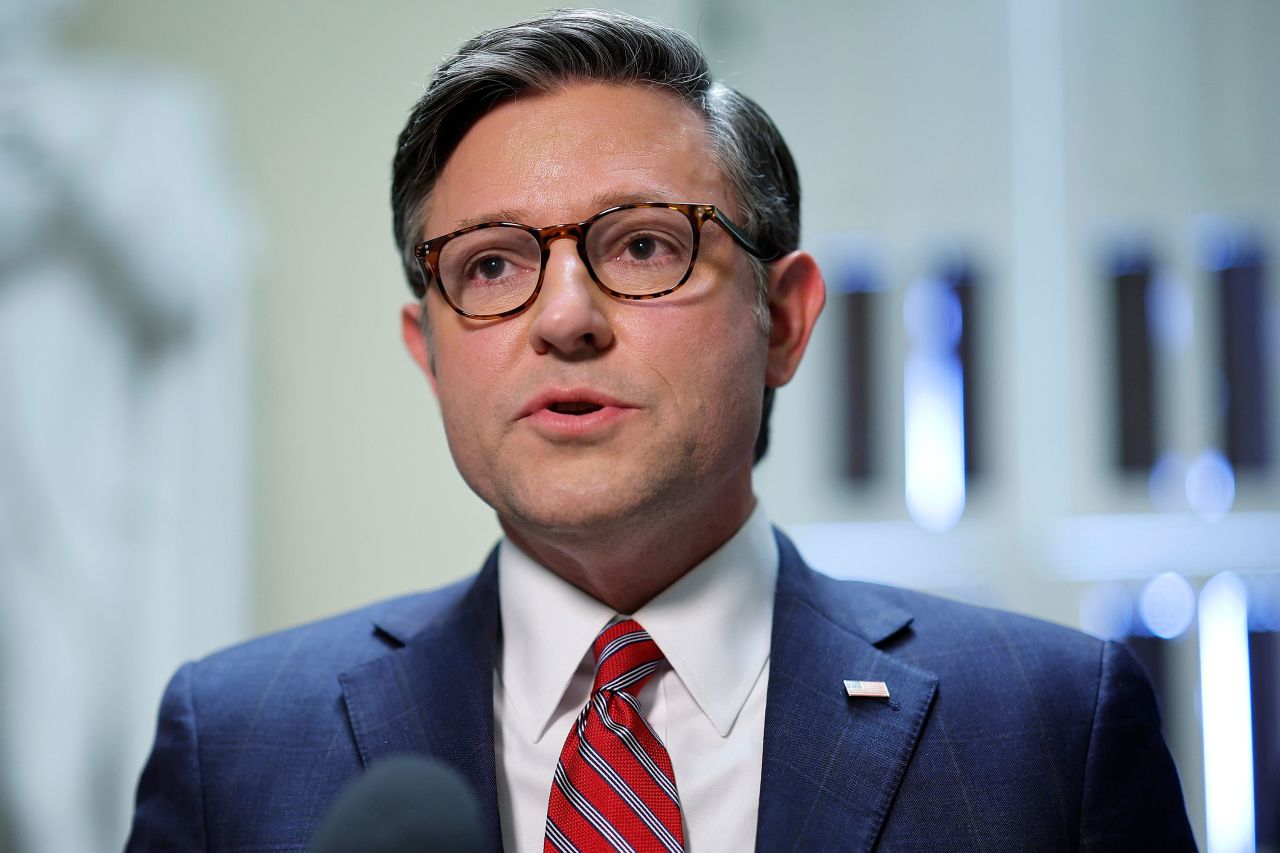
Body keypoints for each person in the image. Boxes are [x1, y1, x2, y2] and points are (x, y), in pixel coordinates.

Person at [127, 9, 1196, 851]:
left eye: (642, 247)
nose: (562, 319)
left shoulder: (1049, 724)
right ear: (430, 350)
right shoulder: (233, 741)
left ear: (782, 319)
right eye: (490, 265)